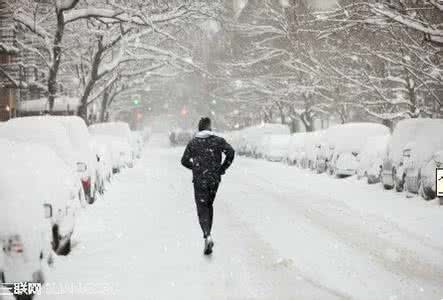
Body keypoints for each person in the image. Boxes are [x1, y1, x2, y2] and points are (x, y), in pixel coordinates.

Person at [181, 117, 235, 255]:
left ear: (199, 128)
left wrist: (195, 167)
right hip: (214, 179)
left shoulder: (194, 143)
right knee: (209, 205)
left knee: (202, 207)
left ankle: (207, 234)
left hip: (200, 179)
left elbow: (184, 160)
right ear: (210, 128)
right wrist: (222, 168)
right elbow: (231, 152)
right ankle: (208, 235)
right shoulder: (218, 141)